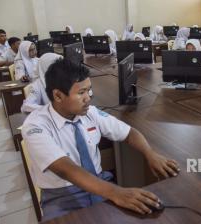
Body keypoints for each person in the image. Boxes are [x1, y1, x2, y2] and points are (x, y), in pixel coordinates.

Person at [22, 59, 180, 221]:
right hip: (63, 197)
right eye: (81, 92)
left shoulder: (90, 113)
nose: (88, 98)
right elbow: (66, 169)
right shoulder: (35, 125)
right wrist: (116, 192)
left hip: (99, 183)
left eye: (89, 91)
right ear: (58, 95)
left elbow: (129, 133)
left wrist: (150, 154)